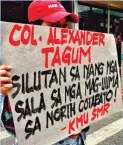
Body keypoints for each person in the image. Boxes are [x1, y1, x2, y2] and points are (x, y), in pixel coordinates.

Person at [0, 1, 89, 145]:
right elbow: (15, 128)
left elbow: (86, 105)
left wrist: (81, 125)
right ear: (33, 28)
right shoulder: (16, 68)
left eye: (65, 26)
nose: (62, 31)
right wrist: (5, 95)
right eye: (54, 25)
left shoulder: (76, 61)